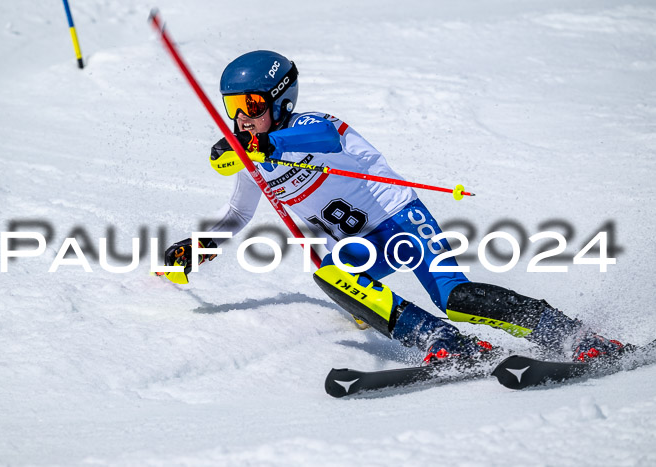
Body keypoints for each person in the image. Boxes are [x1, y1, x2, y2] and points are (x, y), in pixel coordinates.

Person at [164, 50, 627, 364]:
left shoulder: (310, 127)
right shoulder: (254, 159)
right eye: (233, 108)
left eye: (252, 105)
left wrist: (265, 143)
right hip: (362, 247)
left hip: (401, 222)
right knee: (332, 275)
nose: (241, 118)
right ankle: (445, 345)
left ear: (282, 102)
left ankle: (570, 334)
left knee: (455, 298)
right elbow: (238, 216)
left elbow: (327, 138)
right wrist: (197, 248)